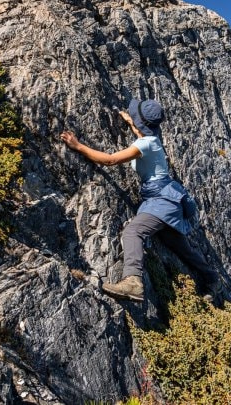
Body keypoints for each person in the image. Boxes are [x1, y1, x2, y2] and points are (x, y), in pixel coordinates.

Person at [60, 99, 220, 303]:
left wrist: (78, 146)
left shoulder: (145, 144)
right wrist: (130, 121)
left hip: (161, 201)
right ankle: (212, 278)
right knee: (179, 246)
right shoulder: (152, 139)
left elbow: (111, 160)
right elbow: (141, 135)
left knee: (133, 231)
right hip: (168, 200)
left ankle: (133, 282)